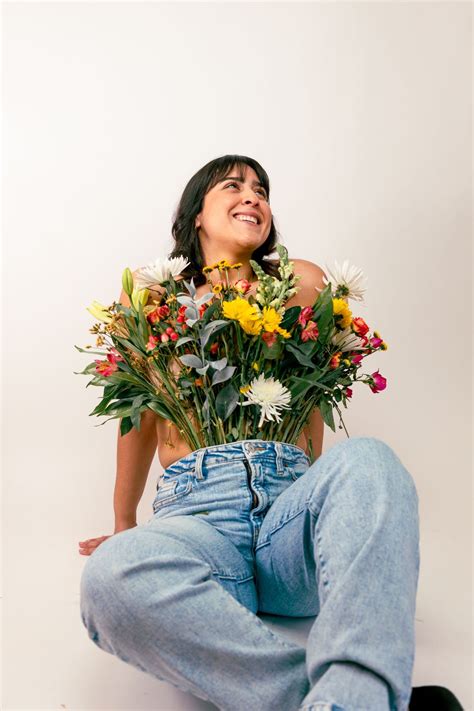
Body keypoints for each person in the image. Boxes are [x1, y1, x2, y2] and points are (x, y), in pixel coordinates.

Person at [78, 155, 460, 711]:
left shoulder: (298, 284)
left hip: (289, 522)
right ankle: (346, 700)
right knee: (110, 577)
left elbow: (313, 390)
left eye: (261, 190)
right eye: (233, 186)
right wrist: (123, 524)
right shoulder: (152, 298)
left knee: (371, 459)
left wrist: (314, 495)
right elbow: (135, 413)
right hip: (199, 521)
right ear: (197, 214)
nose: (252, 196)